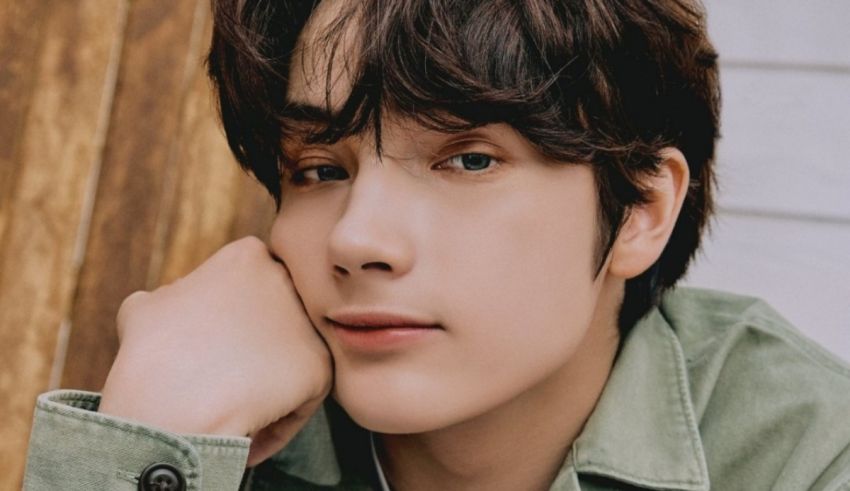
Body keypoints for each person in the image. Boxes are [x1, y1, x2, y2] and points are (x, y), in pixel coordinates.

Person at [24, 0, 850, 489]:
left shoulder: (802, 453)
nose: (356, 239)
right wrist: (151, 448)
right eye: (318, 169)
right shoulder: (209, 419)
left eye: (469, 159)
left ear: (639, 205)